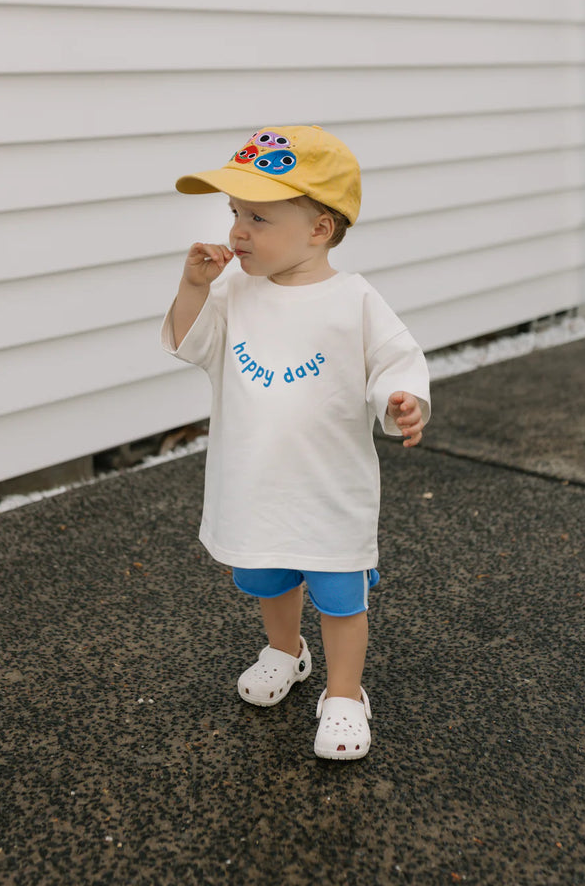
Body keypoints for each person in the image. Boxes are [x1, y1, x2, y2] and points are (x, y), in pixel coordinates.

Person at [161, 125, 430, 760]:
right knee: (269, 576)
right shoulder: (232, 289)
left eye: (258, 216)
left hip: (328, 486)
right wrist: (195, 287)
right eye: (233, 213)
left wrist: (403, 400)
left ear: (321, 228)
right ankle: (286, 651)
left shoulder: (354, 298)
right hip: (255, 481)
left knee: (340, 594)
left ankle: (344, 693)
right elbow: (187, 343)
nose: (237, 232)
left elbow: (397, 358)